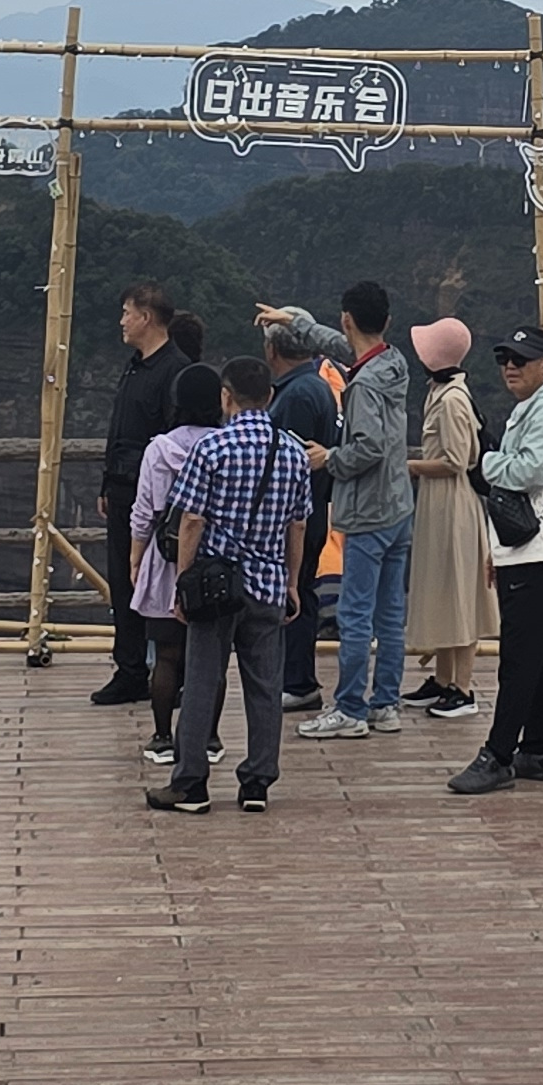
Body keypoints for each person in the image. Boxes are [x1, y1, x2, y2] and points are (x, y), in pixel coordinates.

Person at [150, 357, 310, 816]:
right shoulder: (294, 452)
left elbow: (191, 520)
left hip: (215, 588)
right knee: (265, 686)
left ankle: (191, 783)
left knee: (203, 681)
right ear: (270, 396)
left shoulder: (212, 448)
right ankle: (257, 781)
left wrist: (183, 582)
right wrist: (292, 583)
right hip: (268, 584)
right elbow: (298, 524)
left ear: (226, 396)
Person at [448, 325, 543, 796]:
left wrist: (484, 463)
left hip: (539, 545)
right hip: (533, 545)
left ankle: (499, 754)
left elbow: (530, 470)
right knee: (538, 651)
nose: (510, 367)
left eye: (521, 360)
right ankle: (539, 749)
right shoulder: (540, 406)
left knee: (520, 656)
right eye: (505, 359)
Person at [306, 282, 417, 740]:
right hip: (399, 506)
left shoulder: (363, 385)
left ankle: (350, 707)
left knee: (355, 614)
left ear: (347, 318)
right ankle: (385, 704)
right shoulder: (393, 362)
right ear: (386, 321)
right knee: (390, 615)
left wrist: (329, 458)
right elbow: (343, 346)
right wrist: (295, 323)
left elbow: (367, 446)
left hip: (369, 512)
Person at [88, 282, 181, 709]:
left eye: (127, 312)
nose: (122, 321)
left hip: (157, 499)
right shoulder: (135, 367)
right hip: (123, 490)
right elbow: (119, 432)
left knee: (158, 583)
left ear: (146, 317)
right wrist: (107, 483)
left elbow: (174, 442)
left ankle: (169, 672)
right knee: (123, 582)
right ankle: (129, 670)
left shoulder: (173, 370)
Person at [129, 363, 224, 770]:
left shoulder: (159, 449)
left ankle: (163, 737)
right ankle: (210, 738)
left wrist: (135, 557)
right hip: (214, 563)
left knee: (167, 655)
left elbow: (144, 511)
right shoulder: (224, 446)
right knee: (212, 658)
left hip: (165, 562)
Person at [402, 318, 492, 719]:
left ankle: (463, 687)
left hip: (453, 502)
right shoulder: (442, 391)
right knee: (442, 588)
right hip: (439, 502)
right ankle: (442, 679)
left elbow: (456, 460)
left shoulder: (453, 399)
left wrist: (411, 466)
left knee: (458, 591)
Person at [261, 312, 343, 714]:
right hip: (315, 508)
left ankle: (296, 681)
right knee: (302, 592)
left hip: (295, 515)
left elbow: (289, 464)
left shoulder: (295, 396)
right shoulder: (317, 385)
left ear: (272, 350)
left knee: (291, 594)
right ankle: (296, 679)